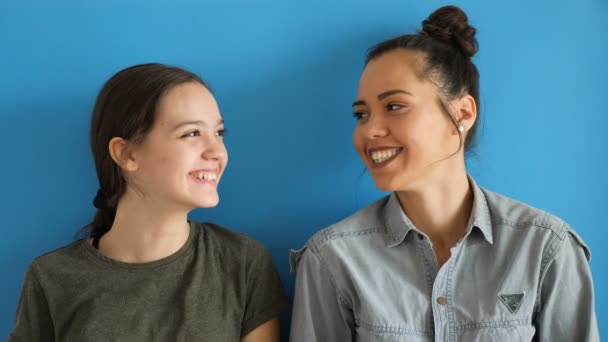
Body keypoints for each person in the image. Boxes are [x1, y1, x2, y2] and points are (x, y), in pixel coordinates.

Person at [290, 6, 598, 341]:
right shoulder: (331, 259)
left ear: (462, 113)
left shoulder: (545, 248)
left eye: (394, 106)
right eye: (361, 114)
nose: (369, 131)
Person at [9, 63, 288, 341]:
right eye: (192, 133)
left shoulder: (242, 264)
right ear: (127, 153)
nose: (217, 152)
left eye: (219, 133)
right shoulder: (51, 278)